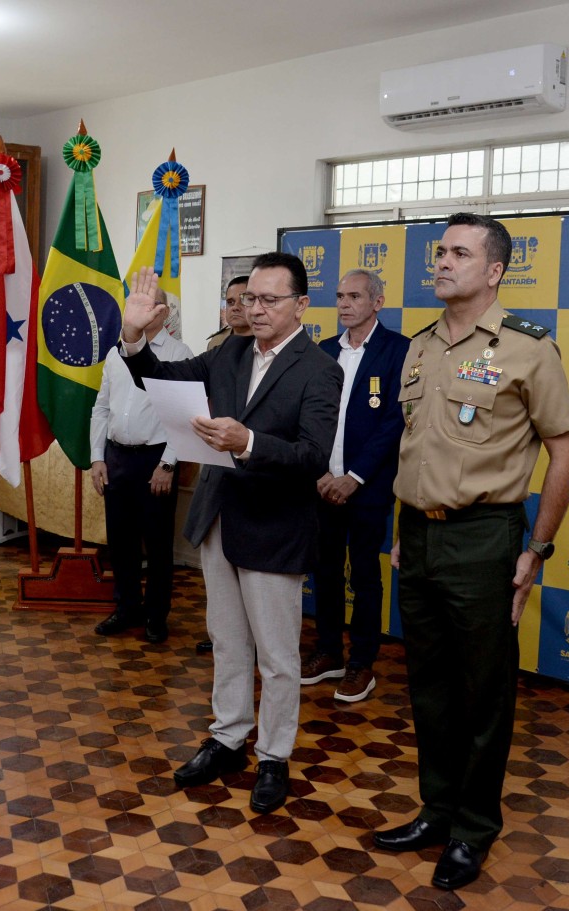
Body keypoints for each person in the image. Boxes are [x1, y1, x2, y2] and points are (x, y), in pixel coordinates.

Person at [374, 213, 569, 890]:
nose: (441, 261)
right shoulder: (422, 346)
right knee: (429, 685)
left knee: (483, 691)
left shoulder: (527, 348)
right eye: (440, 251)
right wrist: (407, 526)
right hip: (422, 536)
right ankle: (436, 809)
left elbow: (565, 447)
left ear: (494, 271)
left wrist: (538, 547)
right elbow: (417, 444)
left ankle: (472, 828)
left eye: (459, 253)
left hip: (485, 536)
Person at [118, 252, 341, 814]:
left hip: (274, 525)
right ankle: (227, 737)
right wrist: (134, 338)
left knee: (277, 656)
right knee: (227, 642)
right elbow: (166, 382)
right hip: (220, 516)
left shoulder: (320, 369)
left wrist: (247, 442)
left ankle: (274, 755)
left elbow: (313, 455)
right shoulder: (229, 352)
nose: (255, 309)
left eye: (269, 300)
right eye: (247, 299)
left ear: (301, 305)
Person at [302, 269, 410, 702]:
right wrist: (321, 474)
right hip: (322, 485)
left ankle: (362, 663)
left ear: (377, 302)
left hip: (367, 487)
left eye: (354, 296)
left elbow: (395, 423)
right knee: (324, 570)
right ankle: (329, 652)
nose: (344, 304)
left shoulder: (398, 350)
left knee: (365, 574)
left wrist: (354, 477)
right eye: (340, 296)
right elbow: (307, 417)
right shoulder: (323, 350)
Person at [90, 287, 193, 643]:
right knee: (121, 542)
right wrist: (97, 458)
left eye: (149, 305)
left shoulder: (180, 354)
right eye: (135, 304)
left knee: (158, 544)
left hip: (156, 460)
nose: (141, 311)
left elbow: (184, 417)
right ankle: (126, 607)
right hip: (117, 457)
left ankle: (156, 616)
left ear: (163, 312)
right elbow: (101, 408)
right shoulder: (116, 353)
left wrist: (167, 464)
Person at [195, 273, 251, 655]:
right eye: (228, 301)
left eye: (242, 300)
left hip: (256, 472)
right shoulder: (218, 347)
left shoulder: (282, 354)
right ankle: (226, 637)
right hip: (215, 463)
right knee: (220, 583)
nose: (233, 307)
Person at [204, 275, 251, 351]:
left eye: (243, 301)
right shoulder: (217, 341)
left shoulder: (268, 342)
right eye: (230, 302)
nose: (235, 307)